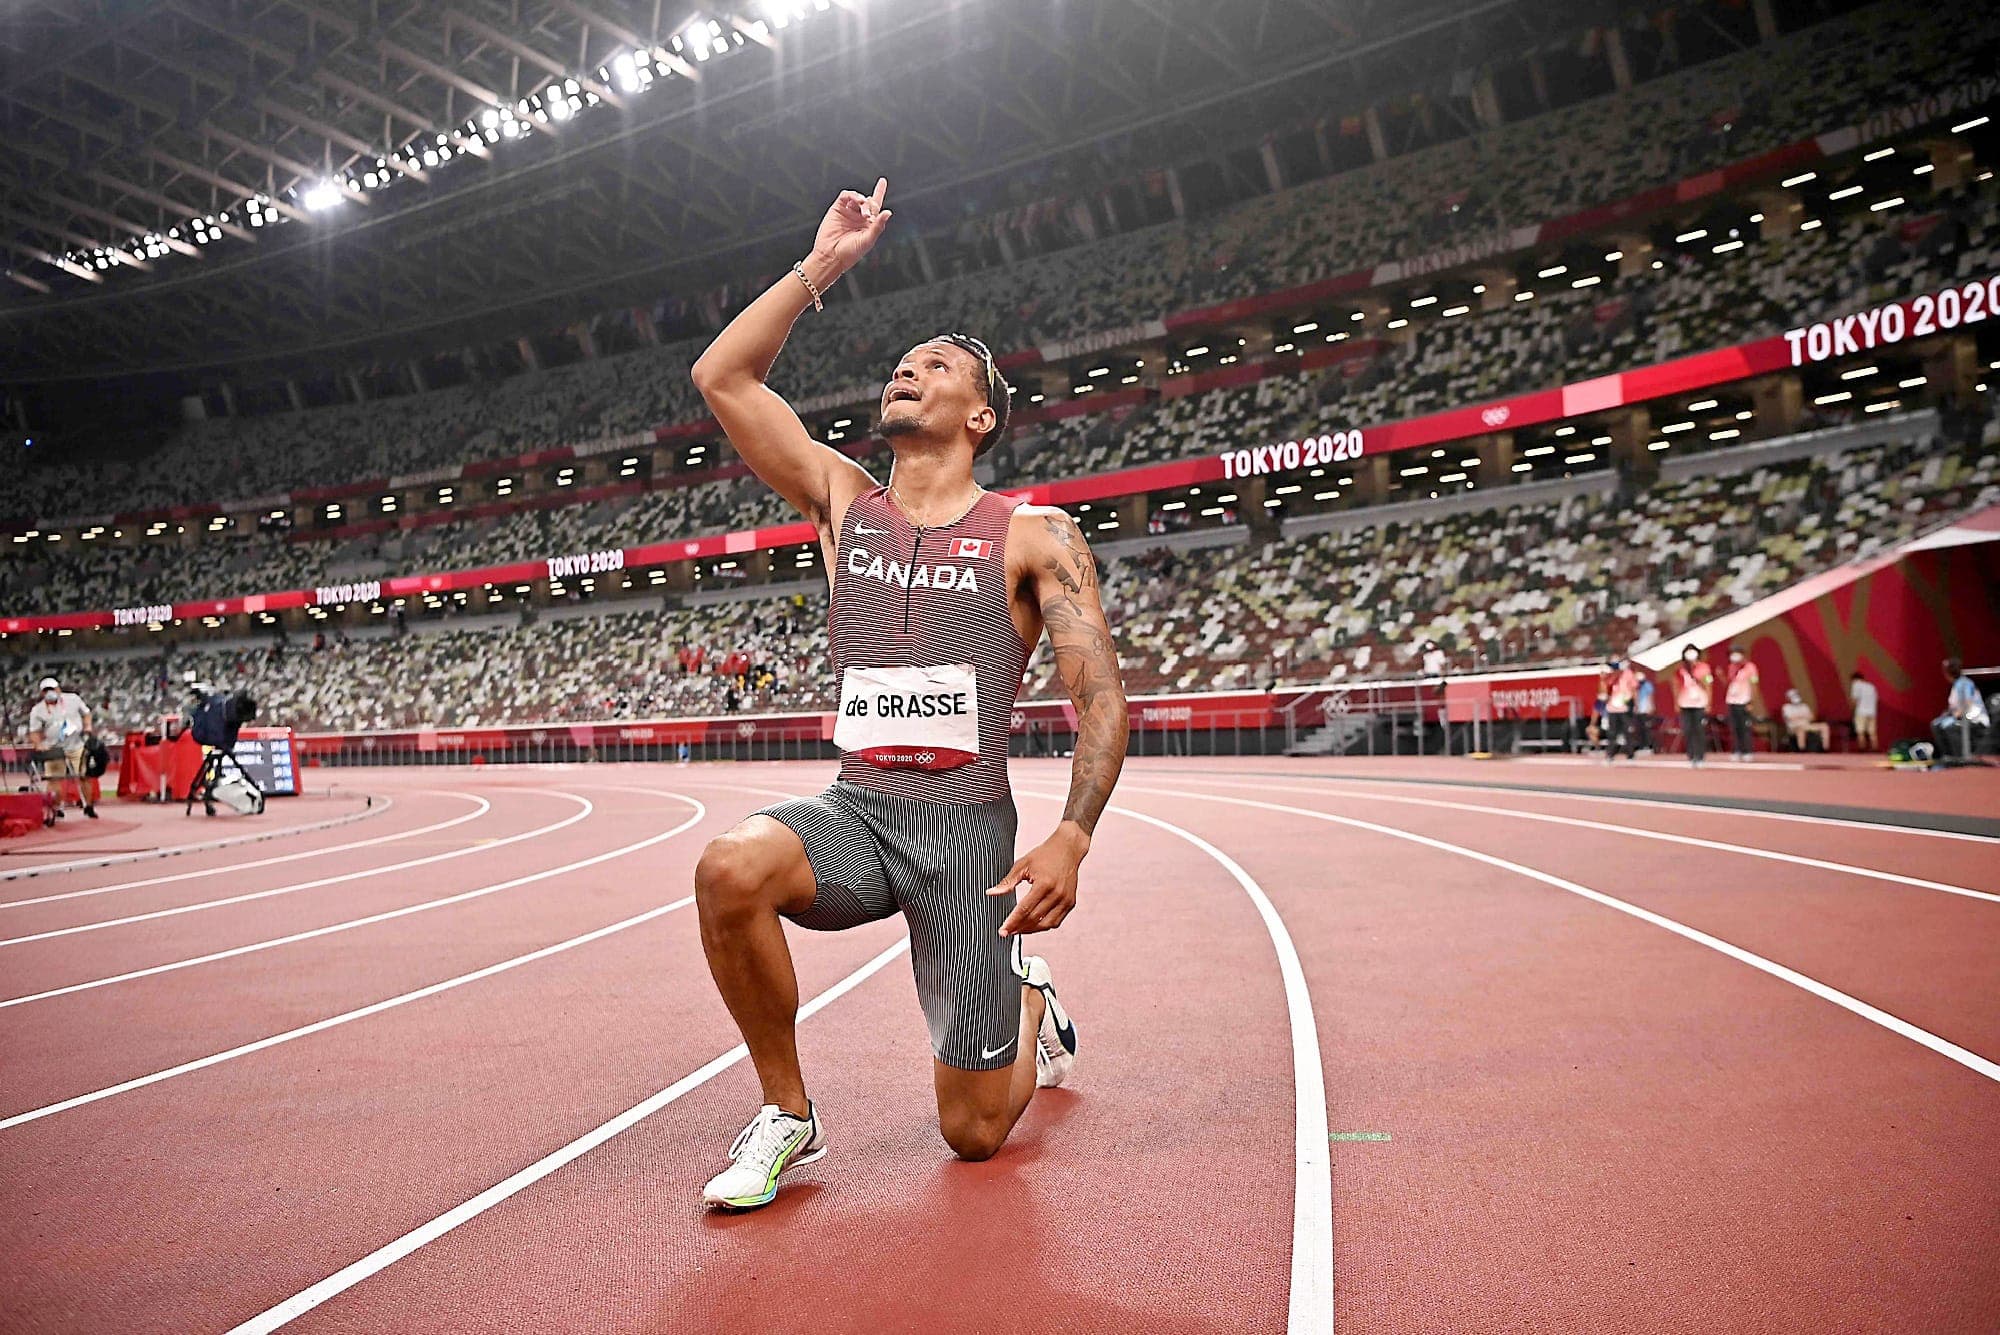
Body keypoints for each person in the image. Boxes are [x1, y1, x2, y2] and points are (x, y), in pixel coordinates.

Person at [687, 178, 1129, 1209]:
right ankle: (788, 1114)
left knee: (971, 1137)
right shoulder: (841, 500)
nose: (906, 371)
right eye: (901, 362)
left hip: (965, 841)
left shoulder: (1033, 536)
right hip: (854, 816)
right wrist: (819, 271)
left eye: (934, 366)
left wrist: (1072, 836)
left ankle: (1026, 1003)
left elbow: (1098, 697)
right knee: (728, 867)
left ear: (978, 414)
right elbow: (721, 374)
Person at [26, 676, 98, 818]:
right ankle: (56, 808)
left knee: (84, 775)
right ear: (42, 693)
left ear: (58, 689)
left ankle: (89, 806)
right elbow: (34, 732)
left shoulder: (73, 699)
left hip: (76, 744)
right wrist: (38, 744)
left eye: (52, 689)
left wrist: (88, 726)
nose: (50, 692)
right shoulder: (37, 710)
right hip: (54, 747)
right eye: (46, 690)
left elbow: (86, 713)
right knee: (54, 779)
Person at [1931, 657, 1991, 762]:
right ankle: (1948, 756)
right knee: (1936, 724)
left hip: (1976, 718)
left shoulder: (1965, 683)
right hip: (1959, 717)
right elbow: (1953, 707)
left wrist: (1956, 715)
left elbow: (1967, 704)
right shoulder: (1955, 685)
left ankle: (1960, 757)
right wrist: (1946, 715)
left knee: (1950, 727)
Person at [1673, 645, 1714, 768]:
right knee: (1687, 730)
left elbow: (1708, 685)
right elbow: (1675, 686)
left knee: (1699, 730)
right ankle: (1691, 755)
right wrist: (1676, 702)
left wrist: (1709, 702)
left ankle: (1700, 755)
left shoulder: (1704, 667)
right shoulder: (1680, 669)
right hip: (1685, 703)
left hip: (1699, 703)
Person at [1723, 646, 1761, 761]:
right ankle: (1736, 750)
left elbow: (1754, 683)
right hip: (1732, 700)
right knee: (1735, 727)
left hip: (1744, 700)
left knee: (1744, 727)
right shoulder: (1731, 667)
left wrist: (1751, 701)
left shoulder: (1750, 667)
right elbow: (1730, 683)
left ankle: (1747, 751)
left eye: (1736, 653)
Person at [1603, 657, 1638, 761]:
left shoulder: (1628, 674)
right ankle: (1610, 754)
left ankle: (1630, 753)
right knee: (1612, 732)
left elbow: (1634, 689)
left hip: (1625, 706)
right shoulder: (1610, 676)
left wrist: (1635, 703)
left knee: (1628, 730)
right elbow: (1605, 689)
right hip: (1612, 707)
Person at [1849, 671, 1879, 751]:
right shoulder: (1871, 686)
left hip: (1861, 712)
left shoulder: (1856, 685)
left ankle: (1862, 748)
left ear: (1854, 679)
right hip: (1872, 712)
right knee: (1872, 732)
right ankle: (1875, 748)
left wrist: (1851, 709)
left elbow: (1855, 699)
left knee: (1860, 731)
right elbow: (1876, 699)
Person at [1634, 671, 1657, 754]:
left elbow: (1650, 696)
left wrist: (1651, 707)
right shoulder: (1636, 687)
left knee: (1646, 728)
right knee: (1639, 729)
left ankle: (1649, 746)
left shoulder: (1647, 685)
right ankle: (1641, 745)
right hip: (1638, 710)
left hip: (1646, 709)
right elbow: (1635, 698)